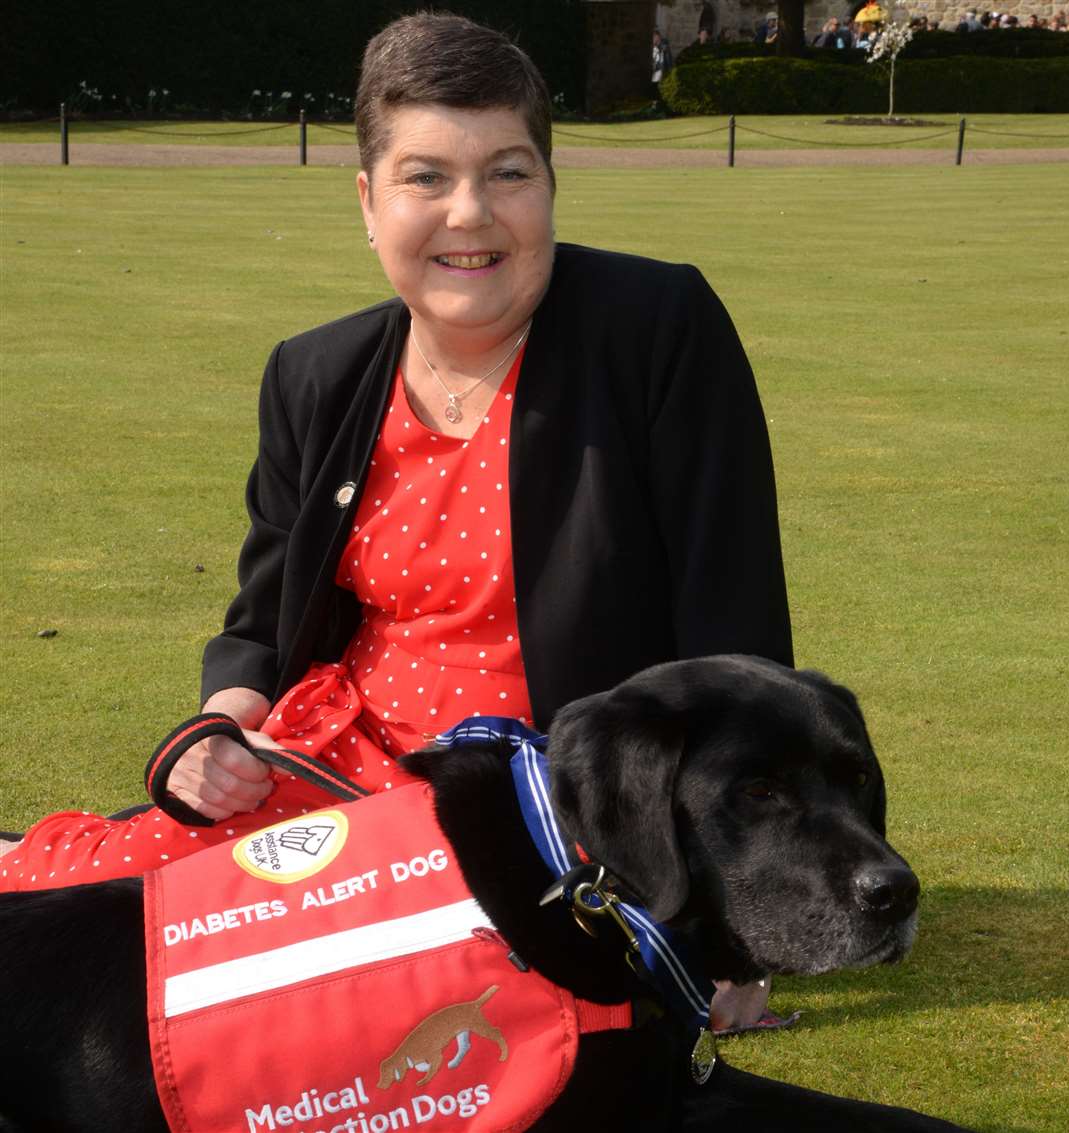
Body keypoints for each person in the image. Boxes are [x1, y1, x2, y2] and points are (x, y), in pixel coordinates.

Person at [0, 17, 792, 1025]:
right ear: (368, 201)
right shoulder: (317, 374)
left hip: (545, 821)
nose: (472, 215)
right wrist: (216, 728)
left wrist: (732, 928)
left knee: (345, 1000)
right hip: (331, 773)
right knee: (92, 920)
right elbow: (260, 621)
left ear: (550, 186)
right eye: (425, 178)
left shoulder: (655, 329)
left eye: (510, 173)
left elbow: (737, 640)